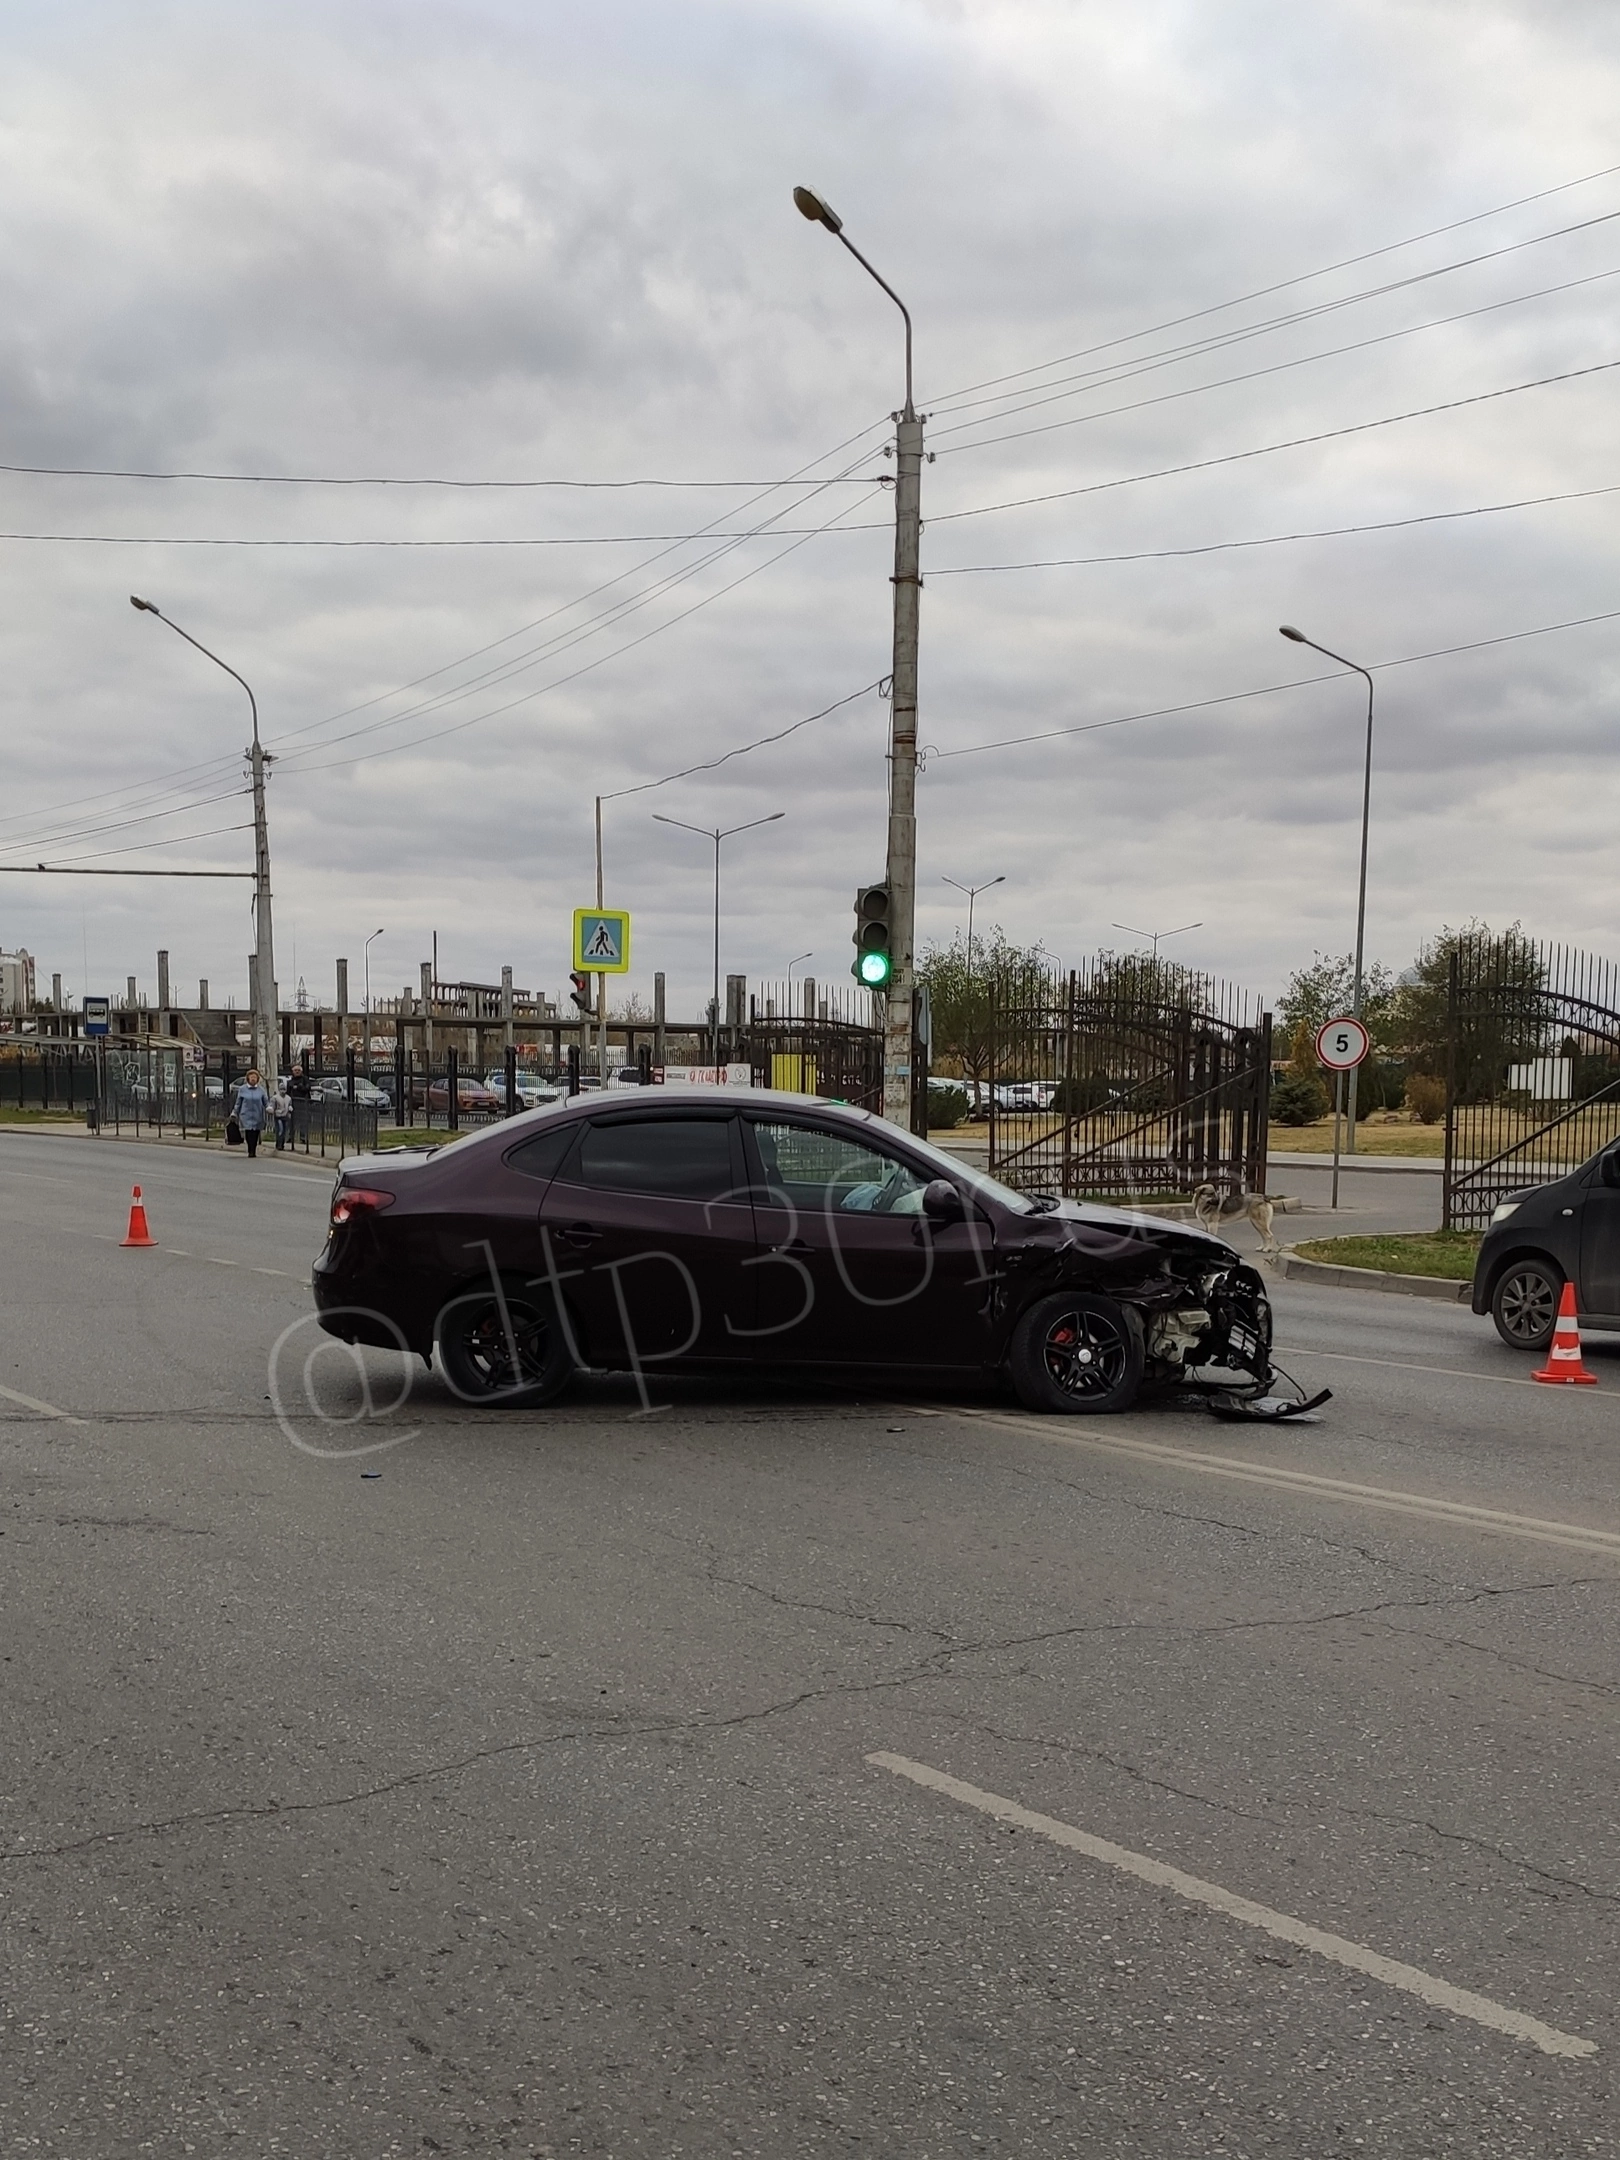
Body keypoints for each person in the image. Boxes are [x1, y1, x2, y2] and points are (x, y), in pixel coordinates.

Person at [232, 1068, 271, 1159]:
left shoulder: (261, 1090)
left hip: (257, 1114)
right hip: (246, 1114)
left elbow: (265, 1101)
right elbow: (238, 1102)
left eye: (255, 1077)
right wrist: (234, 1112)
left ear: (257, 1079)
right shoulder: (242, 1089)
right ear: (248, 1078)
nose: (253, 1079)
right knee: (249, 1132)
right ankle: (251, 1150)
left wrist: (268, 1107)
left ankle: (254, 1148)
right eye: (251, 1077)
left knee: (256, 1132)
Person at [270, 1078, 293, 1152]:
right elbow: (272, 1105)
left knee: (284, 1131)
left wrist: (290, 1109)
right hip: (278, 1116)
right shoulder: (275, 1098)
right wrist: (272, 1110)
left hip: (285, 1116)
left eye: (284, 1089)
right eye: (281, 1089)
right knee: (280, 1130)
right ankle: (278, 1144)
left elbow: (290, 1105)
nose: (283, 1091)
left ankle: (282, 1144)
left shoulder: (288, 1098)